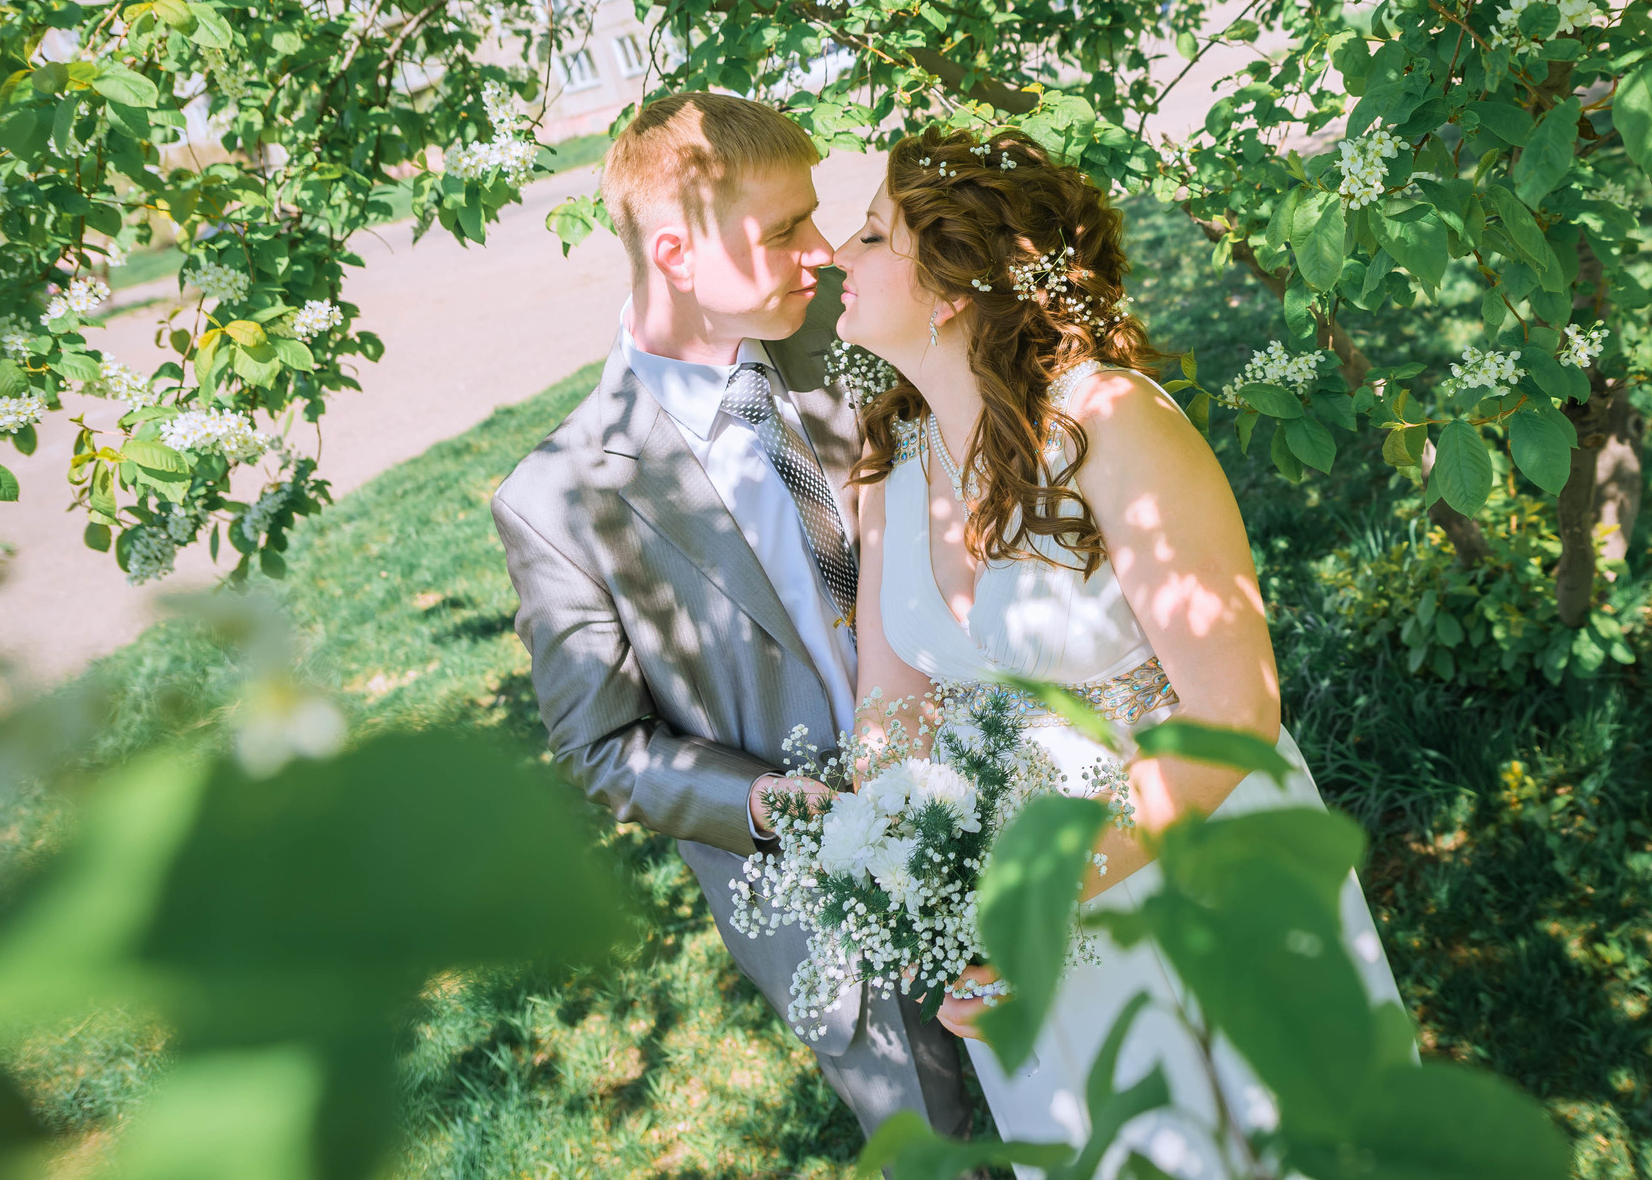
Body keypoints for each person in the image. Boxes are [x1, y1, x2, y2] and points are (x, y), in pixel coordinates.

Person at [831, 125, 1402, 1179]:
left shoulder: (1110, 425)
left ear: (953, 283)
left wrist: (1041, 898)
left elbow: (1234, 708)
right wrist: (923, 881)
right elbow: (889, 695)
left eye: (870, 233)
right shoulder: (887, 462)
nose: (834, 254)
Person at [489, 92, 973, 1153]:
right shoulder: (562, 497)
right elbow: (602, 749)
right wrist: (763, 803)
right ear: (674, 250)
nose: (824, 249)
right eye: (786, 229)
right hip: (837, 907)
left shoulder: (855, 331)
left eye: (818, 217)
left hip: (1004, 802)